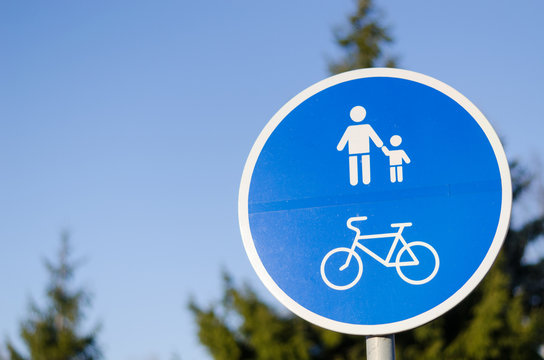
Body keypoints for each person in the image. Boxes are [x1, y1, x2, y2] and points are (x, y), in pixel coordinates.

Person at [337, 106, 383, 185]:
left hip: (355, 152)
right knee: (362, 164)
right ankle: (364, 180)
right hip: (362, 151)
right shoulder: (360, 128)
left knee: (357, 164)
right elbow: (375, 139)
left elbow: (343, 141)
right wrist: (380, 145)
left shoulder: (353, 128)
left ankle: (357, 181)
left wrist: (340, 147)